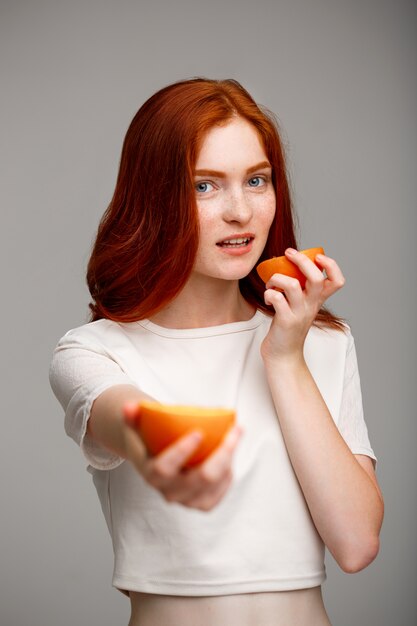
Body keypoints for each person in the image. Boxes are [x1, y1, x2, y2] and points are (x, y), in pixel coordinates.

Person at [49, 77, 384, 626]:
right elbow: (123, 417)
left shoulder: (321, 343)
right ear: (154, 200)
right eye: (205, 186)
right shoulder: (93, 352)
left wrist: (285, 358)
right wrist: (162, 441)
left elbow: (356, 544)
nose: (240, 211)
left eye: (256, 180)